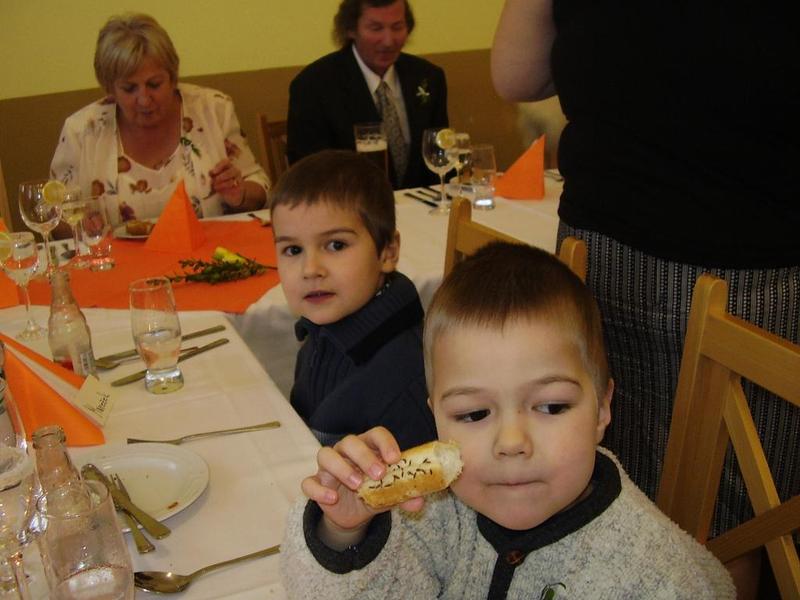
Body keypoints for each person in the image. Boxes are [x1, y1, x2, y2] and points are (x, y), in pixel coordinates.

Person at [490, 0, 800, 581]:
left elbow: (517, 76)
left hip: (630, 252)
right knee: (720, 518)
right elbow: (516, 78)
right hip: (734, 262)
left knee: (624, 492)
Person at [281, 242, 735, 599]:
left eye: (551, 407)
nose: (512, 441)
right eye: (474, 413)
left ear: (601, 409)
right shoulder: (435, 513)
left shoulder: (656, 581)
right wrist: (343, 532)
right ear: (435, 419)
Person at [270, 149, 435, 449]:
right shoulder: (320, 334)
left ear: (388, 252)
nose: (310, 269)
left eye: (336, 245)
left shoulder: (403, 382)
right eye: (293, 250)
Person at [50, 13, 268, 227]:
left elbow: (261, 190)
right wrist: (80, 224)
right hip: (116, 253)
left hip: (208, 250)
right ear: (110, 89)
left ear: (173, 77)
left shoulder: (213, 109)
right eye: (129, 88)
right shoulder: (81, 131)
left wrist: (240, 193)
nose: (144, 99)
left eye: (154, 84)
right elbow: (54, 218)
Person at [286, 0, 449, 189]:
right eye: (376, 28)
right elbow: (310, 176)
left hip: (424, 204)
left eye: (397, 27)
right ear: (351, 29)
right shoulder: (314, 86)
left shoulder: (427, 77)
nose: (388, 41)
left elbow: (440, 156)